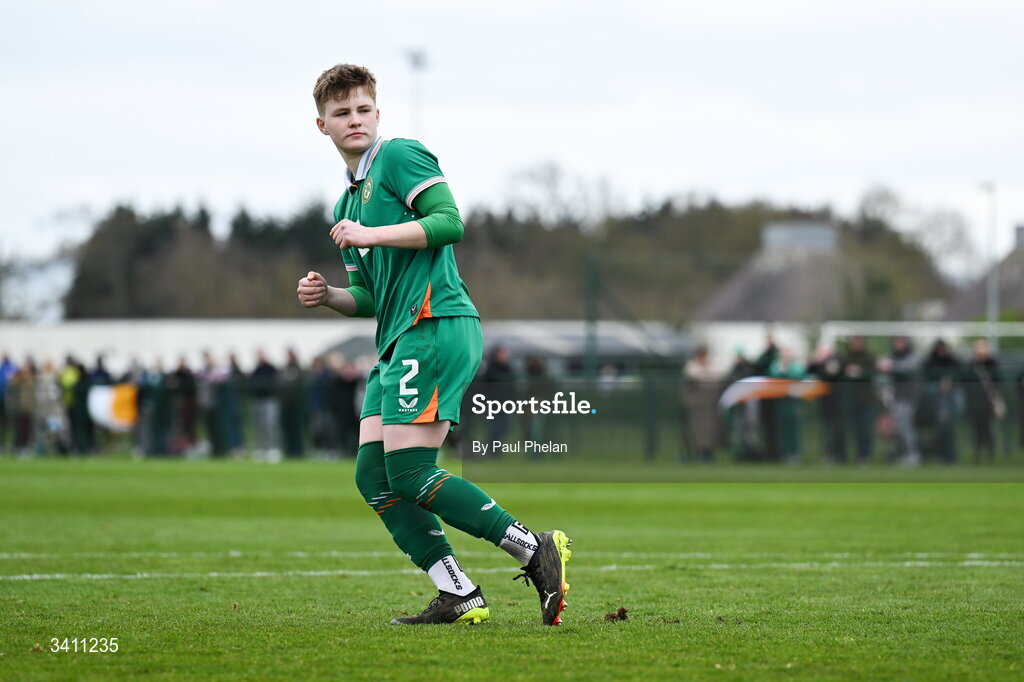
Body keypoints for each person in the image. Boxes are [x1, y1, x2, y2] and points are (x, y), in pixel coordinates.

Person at [296, 64, 570, 626]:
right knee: (374, 476)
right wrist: (329, 296)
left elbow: (449, 222)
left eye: (363, 109)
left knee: (413, 474)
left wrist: (373, 234)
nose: (354, 120)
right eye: (341, 113)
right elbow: (370, 297)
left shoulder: (400, 156)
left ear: (378, 113)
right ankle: (459, 592)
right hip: (398, 339)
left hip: (436, 323)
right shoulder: (345, 207)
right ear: (321, 125)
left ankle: (532, 547)